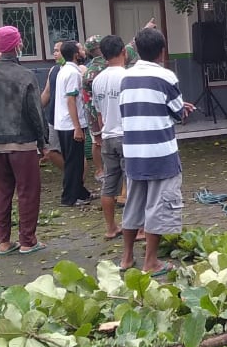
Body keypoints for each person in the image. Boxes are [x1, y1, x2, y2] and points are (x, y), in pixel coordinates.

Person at [120, 27, 194, 276]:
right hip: (160, 152)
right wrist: (182, 109)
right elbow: (176, 112)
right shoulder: (166, 77)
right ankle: (151, 261)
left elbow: (138, 106)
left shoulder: (126, 77)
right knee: (158, 205)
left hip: (132, 150)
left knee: (134, 203)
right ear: (162, 51)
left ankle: (127, 257)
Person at [0, 26, 48, 255]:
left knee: (0, 192)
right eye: (20, 41)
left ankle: (3, 242)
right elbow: (35, 112)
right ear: (16, 45)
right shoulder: (26, 76)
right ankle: (27, 240)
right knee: (28, 192)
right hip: (22, 144)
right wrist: (43, 142)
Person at [91, 35, 128, 241]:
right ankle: (137, 227)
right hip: (126, 135)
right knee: (132, 183)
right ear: (123, 51)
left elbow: (99, 114)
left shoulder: (97, 80)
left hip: (108, 136)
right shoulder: (127, 77)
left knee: (109, 184)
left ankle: (110, 227)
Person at [54, 40, 92, 206]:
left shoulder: (64, 70)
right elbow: (71, 99)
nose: (83, 52)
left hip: (64, 122)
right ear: (76, 54)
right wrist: (77, 127)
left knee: (73, 160)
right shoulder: (73, 73)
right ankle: (69, 197)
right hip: (71, 124)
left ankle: (80, 192)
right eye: (81, 50)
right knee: (74, 162)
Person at [38, 41, 65, 171]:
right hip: (53, 118)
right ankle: (71, 176)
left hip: (69, 119)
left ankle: (76, 182)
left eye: (57, 51)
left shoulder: (77, 69)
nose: (54, 53)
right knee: (53, 152)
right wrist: (36, 109)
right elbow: (47, 92)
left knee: (74, 154)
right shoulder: (53, 70)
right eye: (54, 50)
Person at [82, 35, 106, 181]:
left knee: (96, 141)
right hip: (105, 111)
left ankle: (99, 170)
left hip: (91, 112)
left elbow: (85, 95)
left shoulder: (88, 70)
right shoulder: (108, 65)